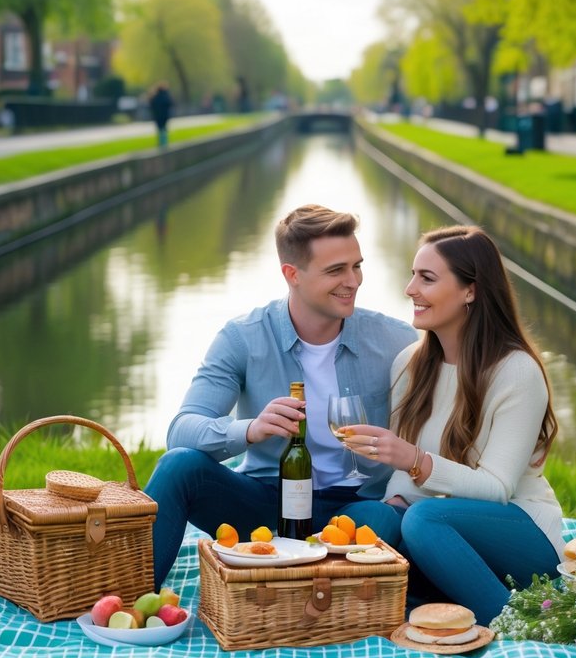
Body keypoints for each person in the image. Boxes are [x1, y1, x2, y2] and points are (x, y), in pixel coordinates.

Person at [144, 205, 418, 583]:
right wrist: (251, 429)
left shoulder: (395, 340)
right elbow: (183, 429)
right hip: (265, 499)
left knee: (385, 519)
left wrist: (402, 491)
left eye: (357, 265)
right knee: (179, 465)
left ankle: (311, 603)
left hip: (356, 505)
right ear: (292, 275)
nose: (353, 281)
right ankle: (127, 606)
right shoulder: (243, 337)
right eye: (336, 270)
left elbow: (438, 421)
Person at [341, 225, 565, 623]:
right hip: (442, 527)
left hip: (520, 530)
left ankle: (510, 624)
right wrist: (391, 507)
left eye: (426, 278)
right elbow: (402, 479)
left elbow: (497, 489)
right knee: (371, 518)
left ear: (470, 290)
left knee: (424, 519)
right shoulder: (408, 365)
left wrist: (416, 461)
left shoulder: (516, 371)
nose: (410, 288)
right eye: (412, 275)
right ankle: (414, 610)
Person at [149, 81, 174, 147]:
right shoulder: (166, 96)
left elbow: (151, 105)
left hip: (157, 116)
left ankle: (161, 143)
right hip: (164, 116)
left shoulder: (155, 97)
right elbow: (170, 104)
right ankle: (164, 143)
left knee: (160, 129)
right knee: (163, 129)